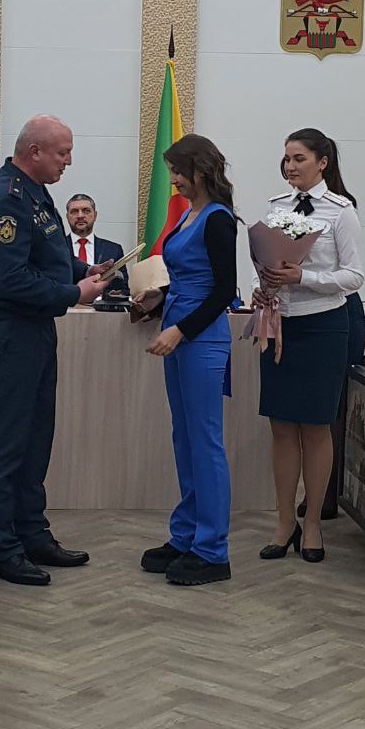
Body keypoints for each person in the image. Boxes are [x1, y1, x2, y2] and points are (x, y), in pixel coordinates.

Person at [0, 116, 109, 585]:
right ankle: (2, 551)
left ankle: (31, 535)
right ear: (34, 153)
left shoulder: (34, 193)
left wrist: (86, 272)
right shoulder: (5, 200)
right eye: (62, 153)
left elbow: (47, 255)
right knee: (5, 445)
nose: (69, 161)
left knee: (34, 441)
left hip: (33, 329)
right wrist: (75, 294)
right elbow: (10, 279)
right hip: (9, 331)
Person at [254, 128, 364, 564]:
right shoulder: (276, 207)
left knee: (316, 427)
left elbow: (354, 276)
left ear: (323, 162)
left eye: (299, 158)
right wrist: (264, 286)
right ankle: (285, 522)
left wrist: (305, 277)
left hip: (323, 326)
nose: (290, 166)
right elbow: (267, 260)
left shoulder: (341, 210)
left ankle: (313, 521)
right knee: (281, 425)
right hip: (280, 323)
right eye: (286, 158)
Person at [133, 134, 238, 587]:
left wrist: (180, 330)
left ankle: (213, 550)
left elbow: (224, 291)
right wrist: (157, 302)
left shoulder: (218, 219)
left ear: (200, 169)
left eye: (178, 171)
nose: (173, 179)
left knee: (205, 442)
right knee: (185, 439)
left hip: (201, 339)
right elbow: (185, 279)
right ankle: (187, 535)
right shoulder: (188, 214)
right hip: (178, 333)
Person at [66, 194, 128, 290]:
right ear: (67, 217)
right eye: (74, 211)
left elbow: (123, 289)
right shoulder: (56, 248)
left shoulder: (114, 250)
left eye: (86, 211)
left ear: (95, 215)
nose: (80, 215)